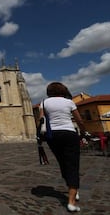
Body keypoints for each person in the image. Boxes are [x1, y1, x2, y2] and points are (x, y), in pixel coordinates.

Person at [39, 82, 85, 212]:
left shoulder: (44, 102)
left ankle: (72, 188)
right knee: (72, 164)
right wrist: (84, 131)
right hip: (69, 134)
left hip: (52, 136)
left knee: (63, 163)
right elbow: (80, 120)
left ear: (49, 91)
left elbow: (41, 120)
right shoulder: (69, 102)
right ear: (63, 91)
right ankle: (71, 201)